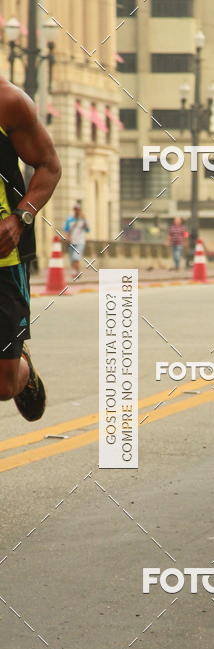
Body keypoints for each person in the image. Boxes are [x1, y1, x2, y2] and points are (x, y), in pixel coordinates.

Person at [0, 77, 62, 421]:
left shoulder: (9, 101)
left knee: (3, 385)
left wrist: (20, 218)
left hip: (3, 257)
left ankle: (20, 370)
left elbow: (50, 165)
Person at [63, 202, 89, 279]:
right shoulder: (69, 220)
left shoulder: (83, 220)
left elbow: (87, 229)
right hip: (71, 242)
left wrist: (84, 220)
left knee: (75, 257)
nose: (77, 211)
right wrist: (67, 237)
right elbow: (66, 230)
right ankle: (77, 272)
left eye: (78, 209)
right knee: (72, 258)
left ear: (80, 210)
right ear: (74, 210)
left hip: (80, 242)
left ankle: (75, 273)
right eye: (75, 209)